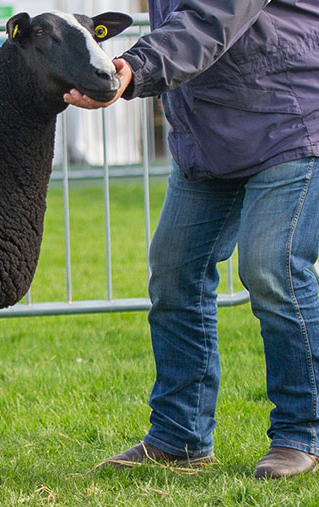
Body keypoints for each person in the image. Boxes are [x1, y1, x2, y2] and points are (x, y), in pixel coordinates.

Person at [65, 0, 319, 478]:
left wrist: (133, 69)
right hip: (206, 131)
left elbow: (213, 13)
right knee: (175, 270)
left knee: (272, 266)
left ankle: (301, 433)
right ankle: (179, 436)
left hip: (291, 114)